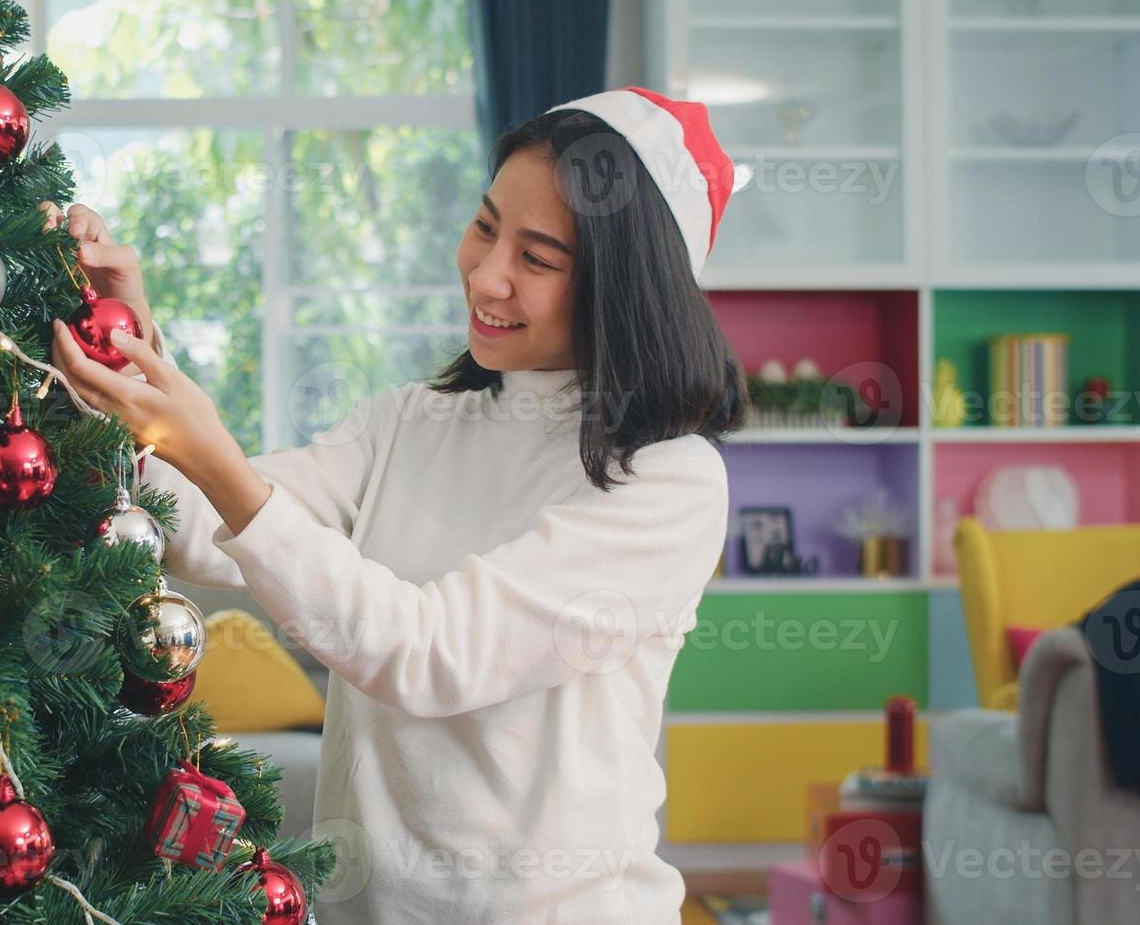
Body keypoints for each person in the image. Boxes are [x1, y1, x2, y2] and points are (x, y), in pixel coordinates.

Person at [43, 86, 746, 924]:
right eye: (486, 226)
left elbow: (429, 655)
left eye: (538, 258)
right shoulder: (413, 422)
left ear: (622, 290)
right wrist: (120, 336)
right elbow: (192, 527)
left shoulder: (669, 481)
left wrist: (208, 446)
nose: (486, 275)